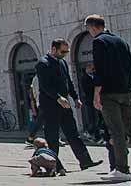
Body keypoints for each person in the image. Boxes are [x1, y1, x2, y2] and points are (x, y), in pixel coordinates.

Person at [86, 14, 131, 182]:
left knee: (117, 131)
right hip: (125, 91)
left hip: (109, 93)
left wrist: (97, 94)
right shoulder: (121, 41)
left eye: (89, 30)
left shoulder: (99, 42)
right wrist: (128, 88)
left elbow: (100, 70)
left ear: (93, 27)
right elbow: (130, 68)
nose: (90, 33)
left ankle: (122, 168)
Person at [34, 38, 101, 175]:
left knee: (73, 134)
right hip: (50, 107)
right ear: (53, 49)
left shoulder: (63, 62)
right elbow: (45, 86)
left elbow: (68, 82)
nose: (65, 54)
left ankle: (85, 161)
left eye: (67, 51)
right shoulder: (43, 64)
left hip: (64, 106)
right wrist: (58, 98)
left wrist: (75, 98)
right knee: (52, 138)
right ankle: (56, 166)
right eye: (62, 51)